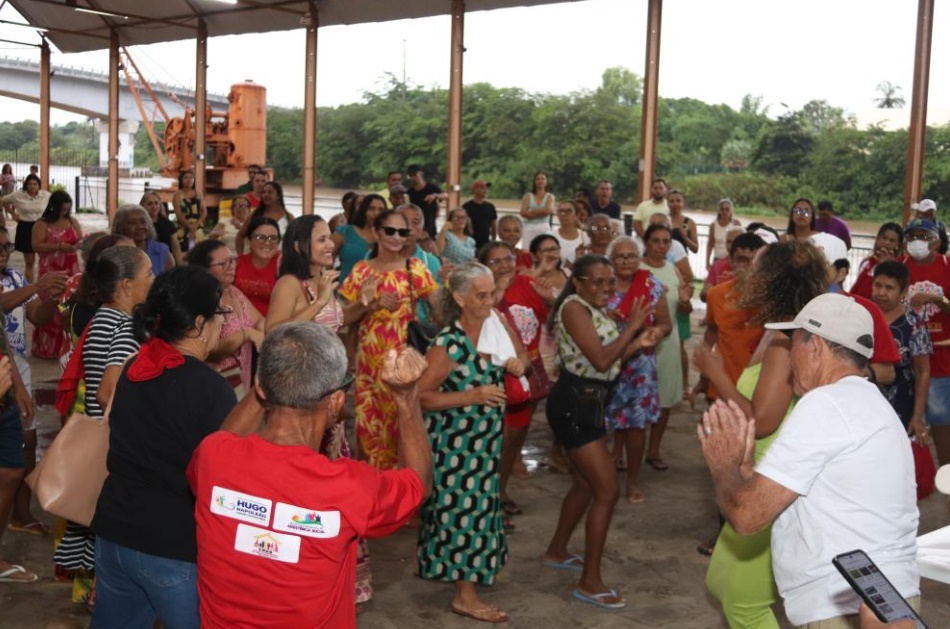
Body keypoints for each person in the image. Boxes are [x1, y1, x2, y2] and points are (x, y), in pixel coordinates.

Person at [698, 293, 920, 628]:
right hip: (884, 599)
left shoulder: (825, 405)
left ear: (814, 346)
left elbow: (746, 517)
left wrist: (723, 468)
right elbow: (826, 496)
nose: (789, 358)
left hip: (845, 607)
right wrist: (749, 475)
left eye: (793, 345)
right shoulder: (870, 403)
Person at [189, 327, 431, 629]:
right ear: (335, 402)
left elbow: (225, 437)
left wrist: (268, 383)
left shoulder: (213, 457)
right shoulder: (349, 486)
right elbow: (418, 486)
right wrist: (407, 397)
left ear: (261, 388)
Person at [89, 266, 239, 629]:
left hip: (115, 533)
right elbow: (224, 478)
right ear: (199, 323)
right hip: (173, 545)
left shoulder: (135, 368)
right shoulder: (210, 389)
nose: (224, 324)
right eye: (220, 314)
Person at [695, 239, 829, 623]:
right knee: (721, 581)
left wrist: (713, 370)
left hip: (770, 477)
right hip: (756, 471)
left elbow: (762, 418)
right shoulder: (779, 331)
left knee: (744, 604)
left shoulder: (788, 341)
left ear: (773, 279)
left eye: (756, 267)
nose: (747, 273)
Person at [266, 215, 377, 603]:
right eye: (322, 240)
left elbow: (338, 326)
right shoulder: (289, 284)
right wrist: (323, 303)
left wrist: (366, 302)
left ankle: (331, 573)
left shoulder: (325, 281)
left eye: (331, 239)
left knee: (331, 487)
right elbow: (273, 335)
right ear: (300, 246)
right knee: (302, 487)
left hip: (330, 399)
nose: (331, 245)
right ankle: (298, 573)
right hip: (299, 402)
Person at [540, 255, 656, 611]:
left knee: (585, 484)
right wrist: (632, 328)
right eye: (598, 282)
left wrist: (637, 342)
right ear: (578, 282)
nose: (606, 288)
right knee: (606, 490)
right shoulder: (575, 308)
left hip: (589, 403)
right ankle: (590, 582)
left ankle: (557, 549)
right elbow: (602, 361)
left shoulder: (592, 308)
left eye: (609, 283)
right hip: (575, 404)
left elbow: (608, 358)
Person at [417, 262, 528, 622]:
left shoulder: (495, 324)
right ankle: (465, 595)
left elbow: (521, 358)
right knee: (462, 517)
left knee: (479, 513)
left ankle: (468, 588)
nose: (490, 299)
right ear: (461, 298)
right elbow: (422, 396)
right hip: (454, 446)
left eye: (493, 291)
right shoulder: (448, 343)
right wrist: (473, 395)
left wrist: (516, 365)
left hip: (484, 444)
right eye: (482, 295)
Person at [53, 245, 153, 607]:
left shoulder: (103, 317)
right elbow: (107, 391)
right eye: (148, 275)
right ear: (126, 286)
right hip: (112, 443)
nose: (153, 281)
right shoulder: (124, 325)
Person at [339, 209, 438, 469]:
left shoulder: (415, 268)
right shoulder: (361, 271)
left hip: (405, 367)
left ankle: (403, 495)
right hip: (369, 369)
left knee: (403, 429)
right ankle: (373, 493)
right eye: (390, 231)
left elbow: (440, 309)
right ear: (376, 232)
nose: (396, 237)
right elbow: (344, 318)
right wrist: (368, 305)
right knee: (369, 430)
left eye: (402, 232)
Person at [0, 224, 66, 536]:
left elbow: (37, 316)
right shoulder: (16, 285)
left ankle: (21, 512)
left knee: (26, 444)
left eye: (7, 247)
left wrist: (52, 297)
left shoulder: (14, 277)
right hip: (8, 370)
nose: (3, 253)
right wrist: (37, 284)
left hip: (18, 366)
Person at [478, 241, 552, 515]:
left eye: (508, 258)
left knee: (514, 437)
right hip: (489, 376)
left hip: (524, 373)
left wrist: (549, 300)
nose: (504, 265)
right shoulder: (477, 290)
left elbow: (544, 323)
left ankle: (501, 489)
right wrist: (495, 294)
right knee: (489, 439)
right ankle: (482, 497)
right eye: (495, 261)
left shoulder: (527, 284)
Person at [605, 237, 670, 503]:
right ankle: (602, 478)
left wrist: (657, 331)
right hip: (605, 361)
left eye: (632, 256)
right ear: (611, 260)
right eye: (620, 256)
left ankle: (632, 481)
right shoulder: (602, 286)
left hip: (639, 365)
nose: (626, 261)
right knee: (605, 421)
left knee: (635, 425)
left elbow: (666, 323)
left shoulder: (650, 284)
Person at [900, 218, 950, 466]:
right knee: (904, 418)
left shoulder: (948, 266)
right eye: (912, 236)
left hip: (941, 359)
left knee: (942, 421)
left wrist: (938, 300)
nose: (917, 241)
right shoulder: (900, 268)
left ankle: (947, 476)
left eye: (924, 236)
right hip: (906, 357)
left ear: (937, 241)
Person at [187, 241, 264, 395]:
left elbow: (259, 320)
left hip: (243, 379)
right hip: (217, 382)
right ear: (205, 269)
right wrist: (246, 334)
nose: (232, 266)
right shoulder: (200, 299)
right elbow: (208, 349)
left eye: (232, 260)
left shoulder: (233, 291)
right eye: (224, 263)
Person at [640, 224, 688, 470]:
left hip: (668, 341)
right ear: (646, 242)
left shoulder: (673, 269)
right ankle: (620, 451)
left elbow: (683, 308)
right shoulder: (636, 268)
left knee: (665, 398)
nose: (660, 246)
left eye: (665, 241)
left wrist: (685, 301)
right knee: (632, 397)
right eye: (656, 241)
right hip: (639, 341)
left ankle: (654, 449)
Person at [872, 260, 931, 443]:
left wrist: (918, 416)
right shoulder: (863, 316)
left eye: (889, 288)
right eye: (878, 285)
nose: (881, 292)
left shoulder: (914, 324)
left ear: (903, 292)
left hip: (900, 403)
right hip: (864, 400)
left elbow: (923, 371)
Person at [31, 190, 81, 358]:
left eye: (67, 209)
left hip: (71, 268)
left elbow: (79, 238)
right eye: (62, 209)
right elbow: (36, 245)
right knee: (50, 306)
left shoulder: (72, 221)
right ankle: (48, 348)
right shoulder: (42, 224)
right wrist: (59, 246)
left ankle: (67, 346)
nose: (64, 212)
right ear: (54, 207)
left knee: (68, 305)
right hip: (51, 269)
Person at [2, 173, 50, 283]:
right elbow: (3, 201)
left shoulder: (46, 195)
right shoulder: (18, 195)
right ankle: (31, 288)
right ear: (25, 185)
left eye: (35, 184)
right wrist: (12, 214)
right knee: (30, 262)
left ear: (39, 185)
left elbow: (56, 204)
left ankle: (46, 286)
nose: (32, 186)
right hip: (25, 228)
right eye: (29, 184)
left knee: (46, 260)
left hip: (41, 227)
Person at [233, 216, 281, 317]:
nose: (267, 242)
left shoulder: (283, 264)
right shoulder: (236, 263)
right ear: (248, 241)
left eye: (273, 238)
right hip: (239, 324)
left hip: (272, 326)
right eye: (261, 237)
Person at [112, 204, 174, 276]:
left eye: (143, 222)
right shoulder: (114, 253)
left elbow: (171, 282)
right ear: (120, 226)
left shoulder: (162, 251)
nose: (140, 227)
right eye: (132, 223)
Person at [334, 194, 383, 283]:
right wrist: (332, 280)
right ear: (363, 210)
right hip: (345, 291)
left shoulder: (390, 237)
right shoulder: (345, 232)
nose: (376, 213)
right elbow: (327, 258)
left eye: (381, 210)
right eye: (371, 208)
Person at [237, 181, 294, 254]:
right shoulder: (255, 214)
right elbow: (240, 236)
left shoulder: (288, 217)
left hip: (281, 262)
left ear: (278, 196)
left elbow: (296, 240)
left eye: (270, 192)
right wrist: (241, 257)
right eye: (263, 192)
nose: (266, 195)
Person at [850, 222, 903, 300]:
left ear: (897, 245)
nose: (887, 242)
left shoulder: (901, 267)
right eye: (884, 238)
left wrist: (888, 266)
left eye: (892, 241)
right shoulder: (866, 262)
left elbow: (902, 299)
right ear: (878, 238)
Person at [700, 225, 749, 302]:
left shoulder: (753, 266)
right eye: (729, 242)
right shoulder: (717, 265)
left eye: (736, 241)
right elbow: (703, 296)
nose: (732, 246)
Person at [140, 191, 183, 265]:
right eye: (150, 204)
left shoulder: (167, 223)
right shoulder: (140, 224)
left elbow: (175, 246)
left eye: (156, 203)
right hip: (145, 262)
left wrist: (180, 265)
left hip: (165, 261)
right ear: (143, 206)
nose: (154, 206)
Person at [406, 164, 447, 239]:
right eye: (410, 176)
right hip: (416, 225)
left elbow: (445, 195)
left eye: (414, 174)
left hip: (430, 225)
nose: (413, 178)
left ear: (421, 173)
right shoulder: (410, 192)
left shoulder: (431, 187)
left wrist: (435, 196)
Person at [173, 170, 206, 252]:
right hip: (183, 225)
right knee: (184, 249)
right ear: (181, 180)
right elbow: (178, 214)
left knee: (200, 249)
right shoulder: (177, 195)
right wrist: (189, 226)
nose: (189, 180)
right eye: (186, 178)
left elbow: (204, 211)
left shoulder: (198, 193)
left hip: (197, 225)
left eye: (191, 177)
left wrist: (197, 224)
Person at [519, 172, 555, 247]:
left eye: (543, 179)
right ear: (534, 181)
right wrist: (541, 213)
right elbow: (523, 212)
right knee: (527, 249)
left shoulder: (550, 196)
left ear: (546, 181)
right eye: (538, 179)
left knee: (543, 248)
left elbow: (547, 211)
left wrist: (532, 211)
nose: (540, 181)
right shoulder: (528, 196)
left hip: (544, 226)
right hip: (529, 227)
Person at [705, 198, 742, 268]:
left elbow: (740, 243)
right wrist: (707, 262)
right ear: (719, 210)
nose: (724, 211)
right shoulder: (713, 225)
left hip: (732, 260)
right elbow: (710, 244)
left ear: (731, 210)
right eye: (722, 209)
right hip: (717, 259)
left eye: (727, 209)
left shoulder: (736, 223)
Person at [462, 179, 497, 249]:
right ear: (475, 189)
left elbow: (493, 225)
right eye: (482, 187)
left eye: (486, 188)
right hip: (470, 242)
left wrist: (493, 240)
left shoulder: (490, 206)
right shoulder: (466, 207)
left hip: (486, 241)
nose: (485, 190)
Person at [553, 200, 589, 266]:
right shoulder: (550, 237)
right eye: (561, 211)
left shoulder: (585, 237)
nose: (564, 214)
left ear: (577, 215)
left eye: (568, 211)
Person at [668, 189, 698, 253]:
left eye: (678, 201)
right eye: (671, 201)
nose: (675, 204)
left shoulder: (689, 223)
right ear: (667, 203)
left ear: (683, 203)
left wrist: (685, 238)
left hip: (681, 260)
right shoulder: (662, 220)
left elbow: (695, 249)